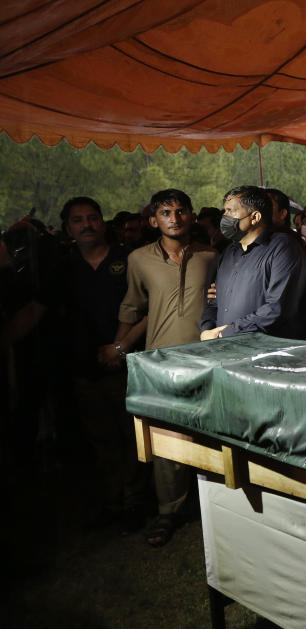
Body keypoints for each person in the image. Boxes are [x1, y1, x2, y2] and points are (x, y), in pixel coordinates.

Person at [116, 189, 218, 546]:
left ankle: (217, 504)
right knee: (167, 437)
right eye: (165, 212)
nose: (174, 218)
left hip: (209, 358)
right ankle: (168, 512)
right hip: (160, 359)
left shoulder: (211, 256)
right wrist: (120, 347)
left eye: (180, 211)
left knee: (212, 431)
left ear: (190, 216)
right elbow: (132, 308)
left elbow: (226, 298)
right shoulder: (138, 259)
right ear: (153, 220)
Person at [61, 196, 149, 531]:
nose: (87, 225)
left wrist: (119, 346)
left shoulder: (127, 260)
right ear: (68, 227)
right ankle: (112, 501)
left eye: (93, 218)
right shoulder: (63, 266)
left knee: (132, 436)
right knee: (101, 439)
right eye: (78, 220)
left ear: (103, 222)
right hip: (83, 369)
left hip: (126, 365)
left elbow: (148, 307)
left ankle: (134, 502)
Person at [199, 186, 306, 341]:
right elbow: (214, 302)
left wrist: (226, 332)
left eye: (231, 211)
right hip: (225, 349)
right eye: (224, 211)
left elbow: (277, 308)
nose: (224, 216)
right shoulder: (229, 253)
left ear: (255, 217)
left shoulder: (283, 248)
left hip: (265, 352)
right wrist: (207, 328)